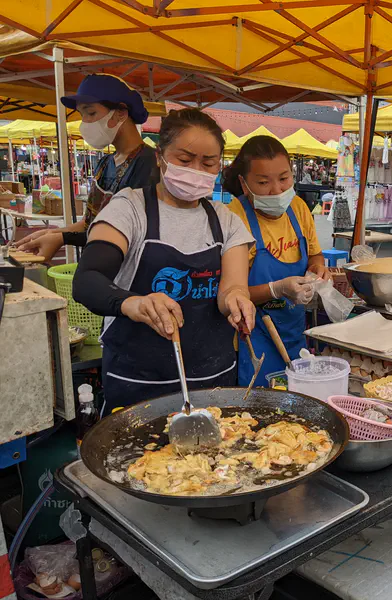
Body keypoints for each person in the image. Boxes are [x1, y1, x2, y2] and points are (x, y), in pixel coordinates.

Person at [72, 108, 255, 413]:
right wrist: (135, 303)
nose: (196, 169)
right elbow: (88, 280)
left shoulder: (227, 221)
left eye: (208, 163)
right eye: (185, 160)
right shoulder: (129, 209)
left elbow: (232, 288)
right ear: (160, 157)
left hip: (214, 382)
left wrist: (237, 299)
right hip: (138, 386)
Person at [223, 136, 329, 385]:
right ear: (244, 182)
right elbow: (229, 294)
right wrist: (277, 289)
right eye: (263, 182)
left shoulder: (298, 208)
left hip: (294, 333)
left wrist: (318, 269)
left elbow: (315, 254)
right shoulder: (233, 218)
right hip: (252, 338)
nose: (277, 191)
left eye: (284, 179)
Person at [16, 74, 158, 260]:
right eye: (82, 115)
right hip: (97, 265)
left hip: (127, 271)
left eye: (91, 113)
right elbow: (89, 223)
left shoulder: (149, 163)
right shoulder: (105, 163)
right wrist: (48, 234)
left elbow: (130, 230)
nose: (85, 123)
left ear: (121, 113)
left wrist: (63, 238)